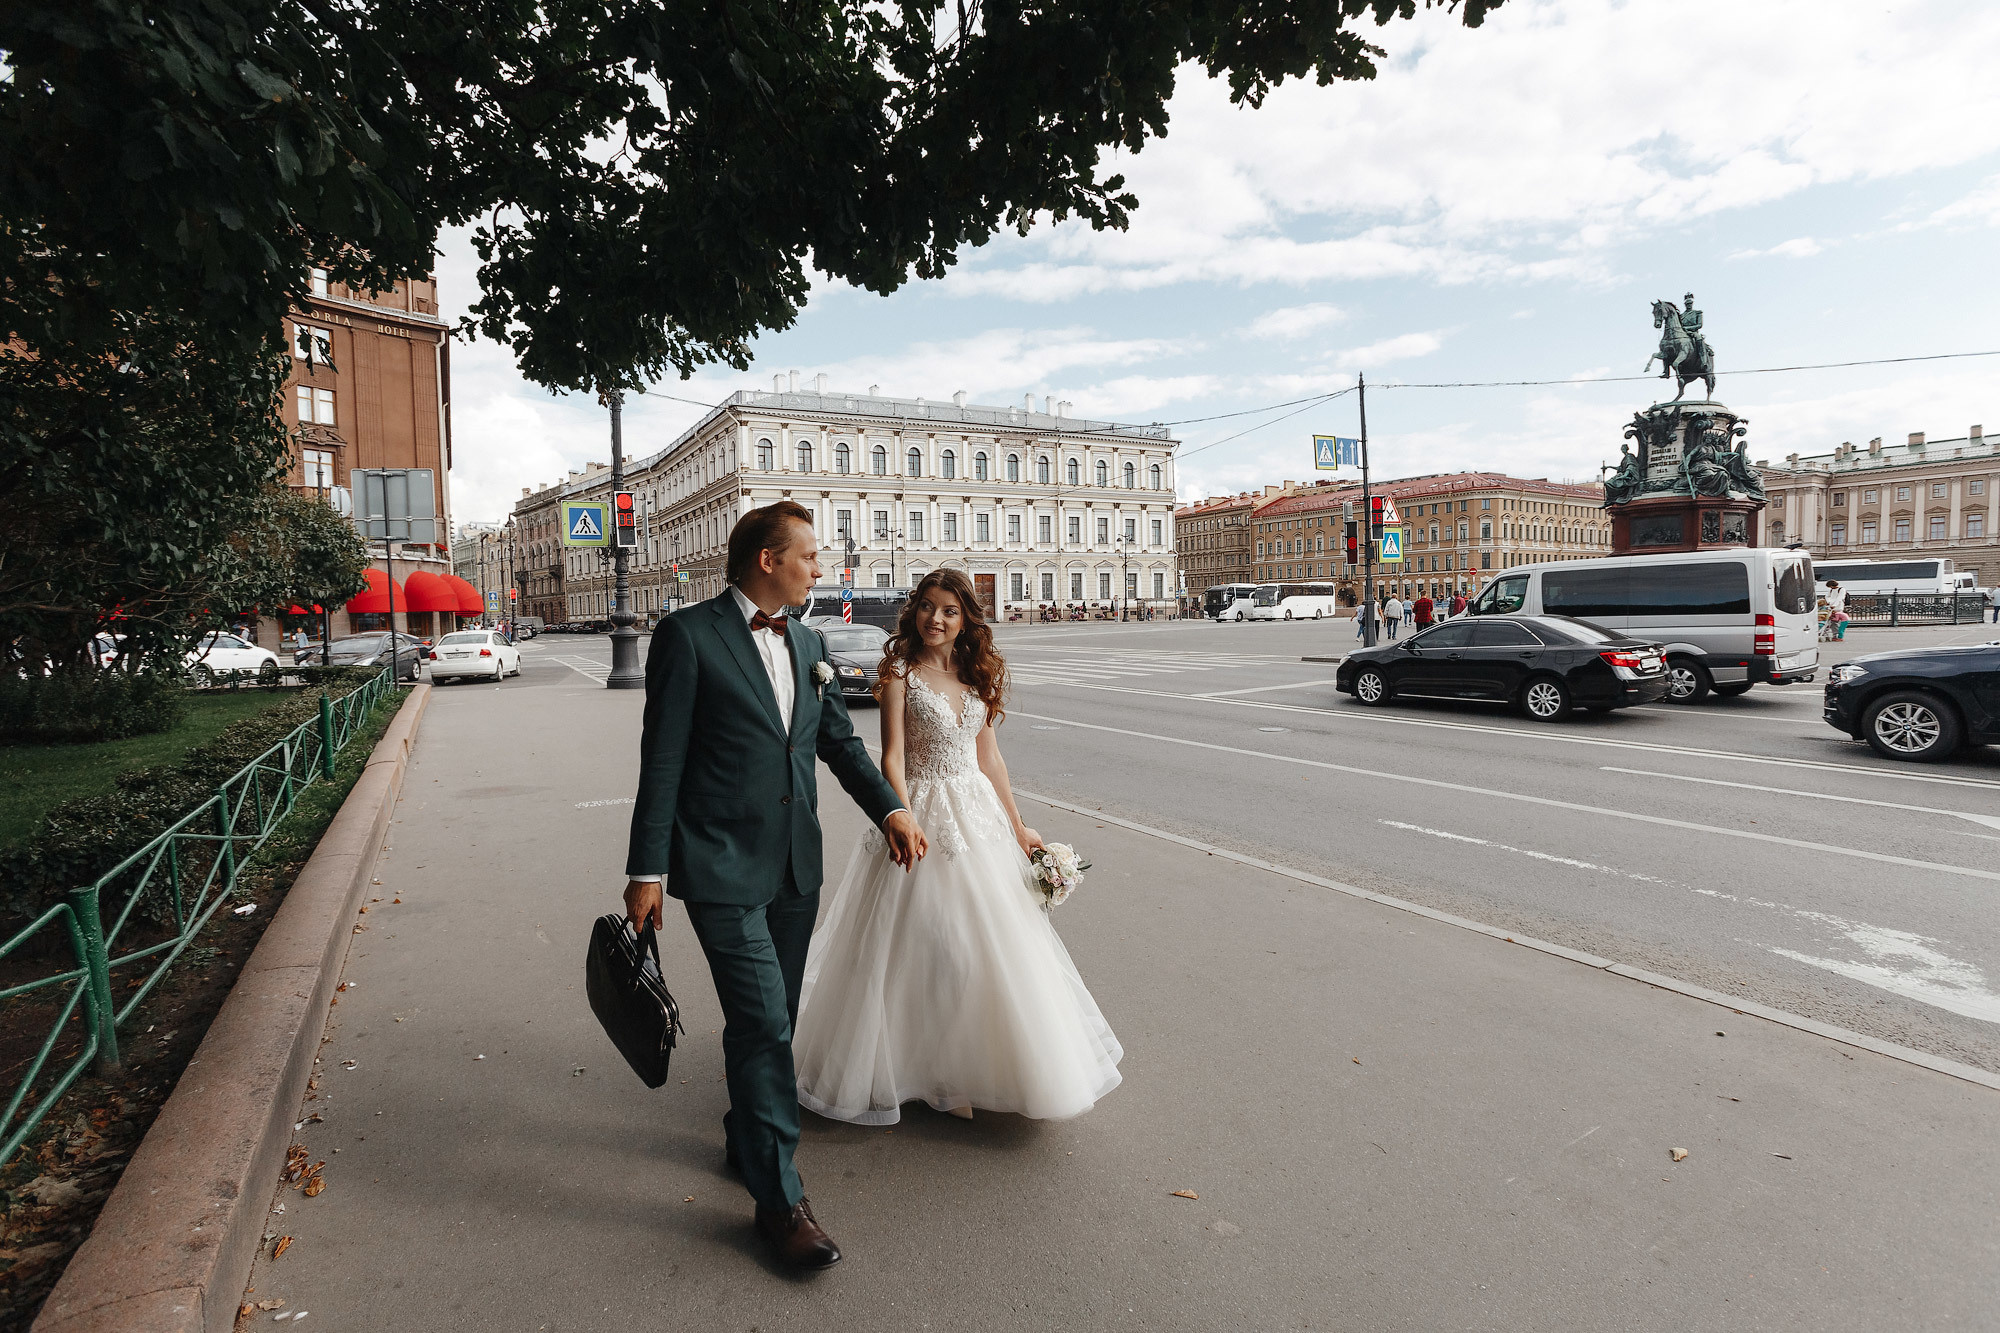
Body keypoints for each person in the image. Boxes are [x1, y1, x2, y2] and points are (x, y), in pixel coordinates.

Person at [622, 500, 929, 1272]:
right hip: (720, 864)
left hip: (795, 865)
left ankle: (744, 1133)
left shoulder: (809, 642)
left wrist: (890, 807)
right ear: (768, 560)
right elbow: (662, 759)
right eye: (809, 556)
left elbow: (836, 743)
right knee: (764, 1021)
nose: (819, 569)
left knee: (775, 1015)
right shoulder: (688, 636)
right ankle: (779, 1202)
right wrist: (646, 870)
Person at [794, 569, 1122, 1128]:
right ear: (914, 611)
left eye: (948, 610)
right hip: (921, 810)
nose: (935, 619)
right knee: (922, 946)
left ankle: (966, 1072)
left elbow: (990, 759)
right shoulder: (899, 670)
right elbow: (892, 755)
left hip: (977, 820)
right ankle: (916, 1072)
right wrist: (900, 814)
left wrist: (1018, 827)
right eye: (927, 607)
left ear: (966, 618)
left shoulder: (975, 675)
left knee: (981, 951)